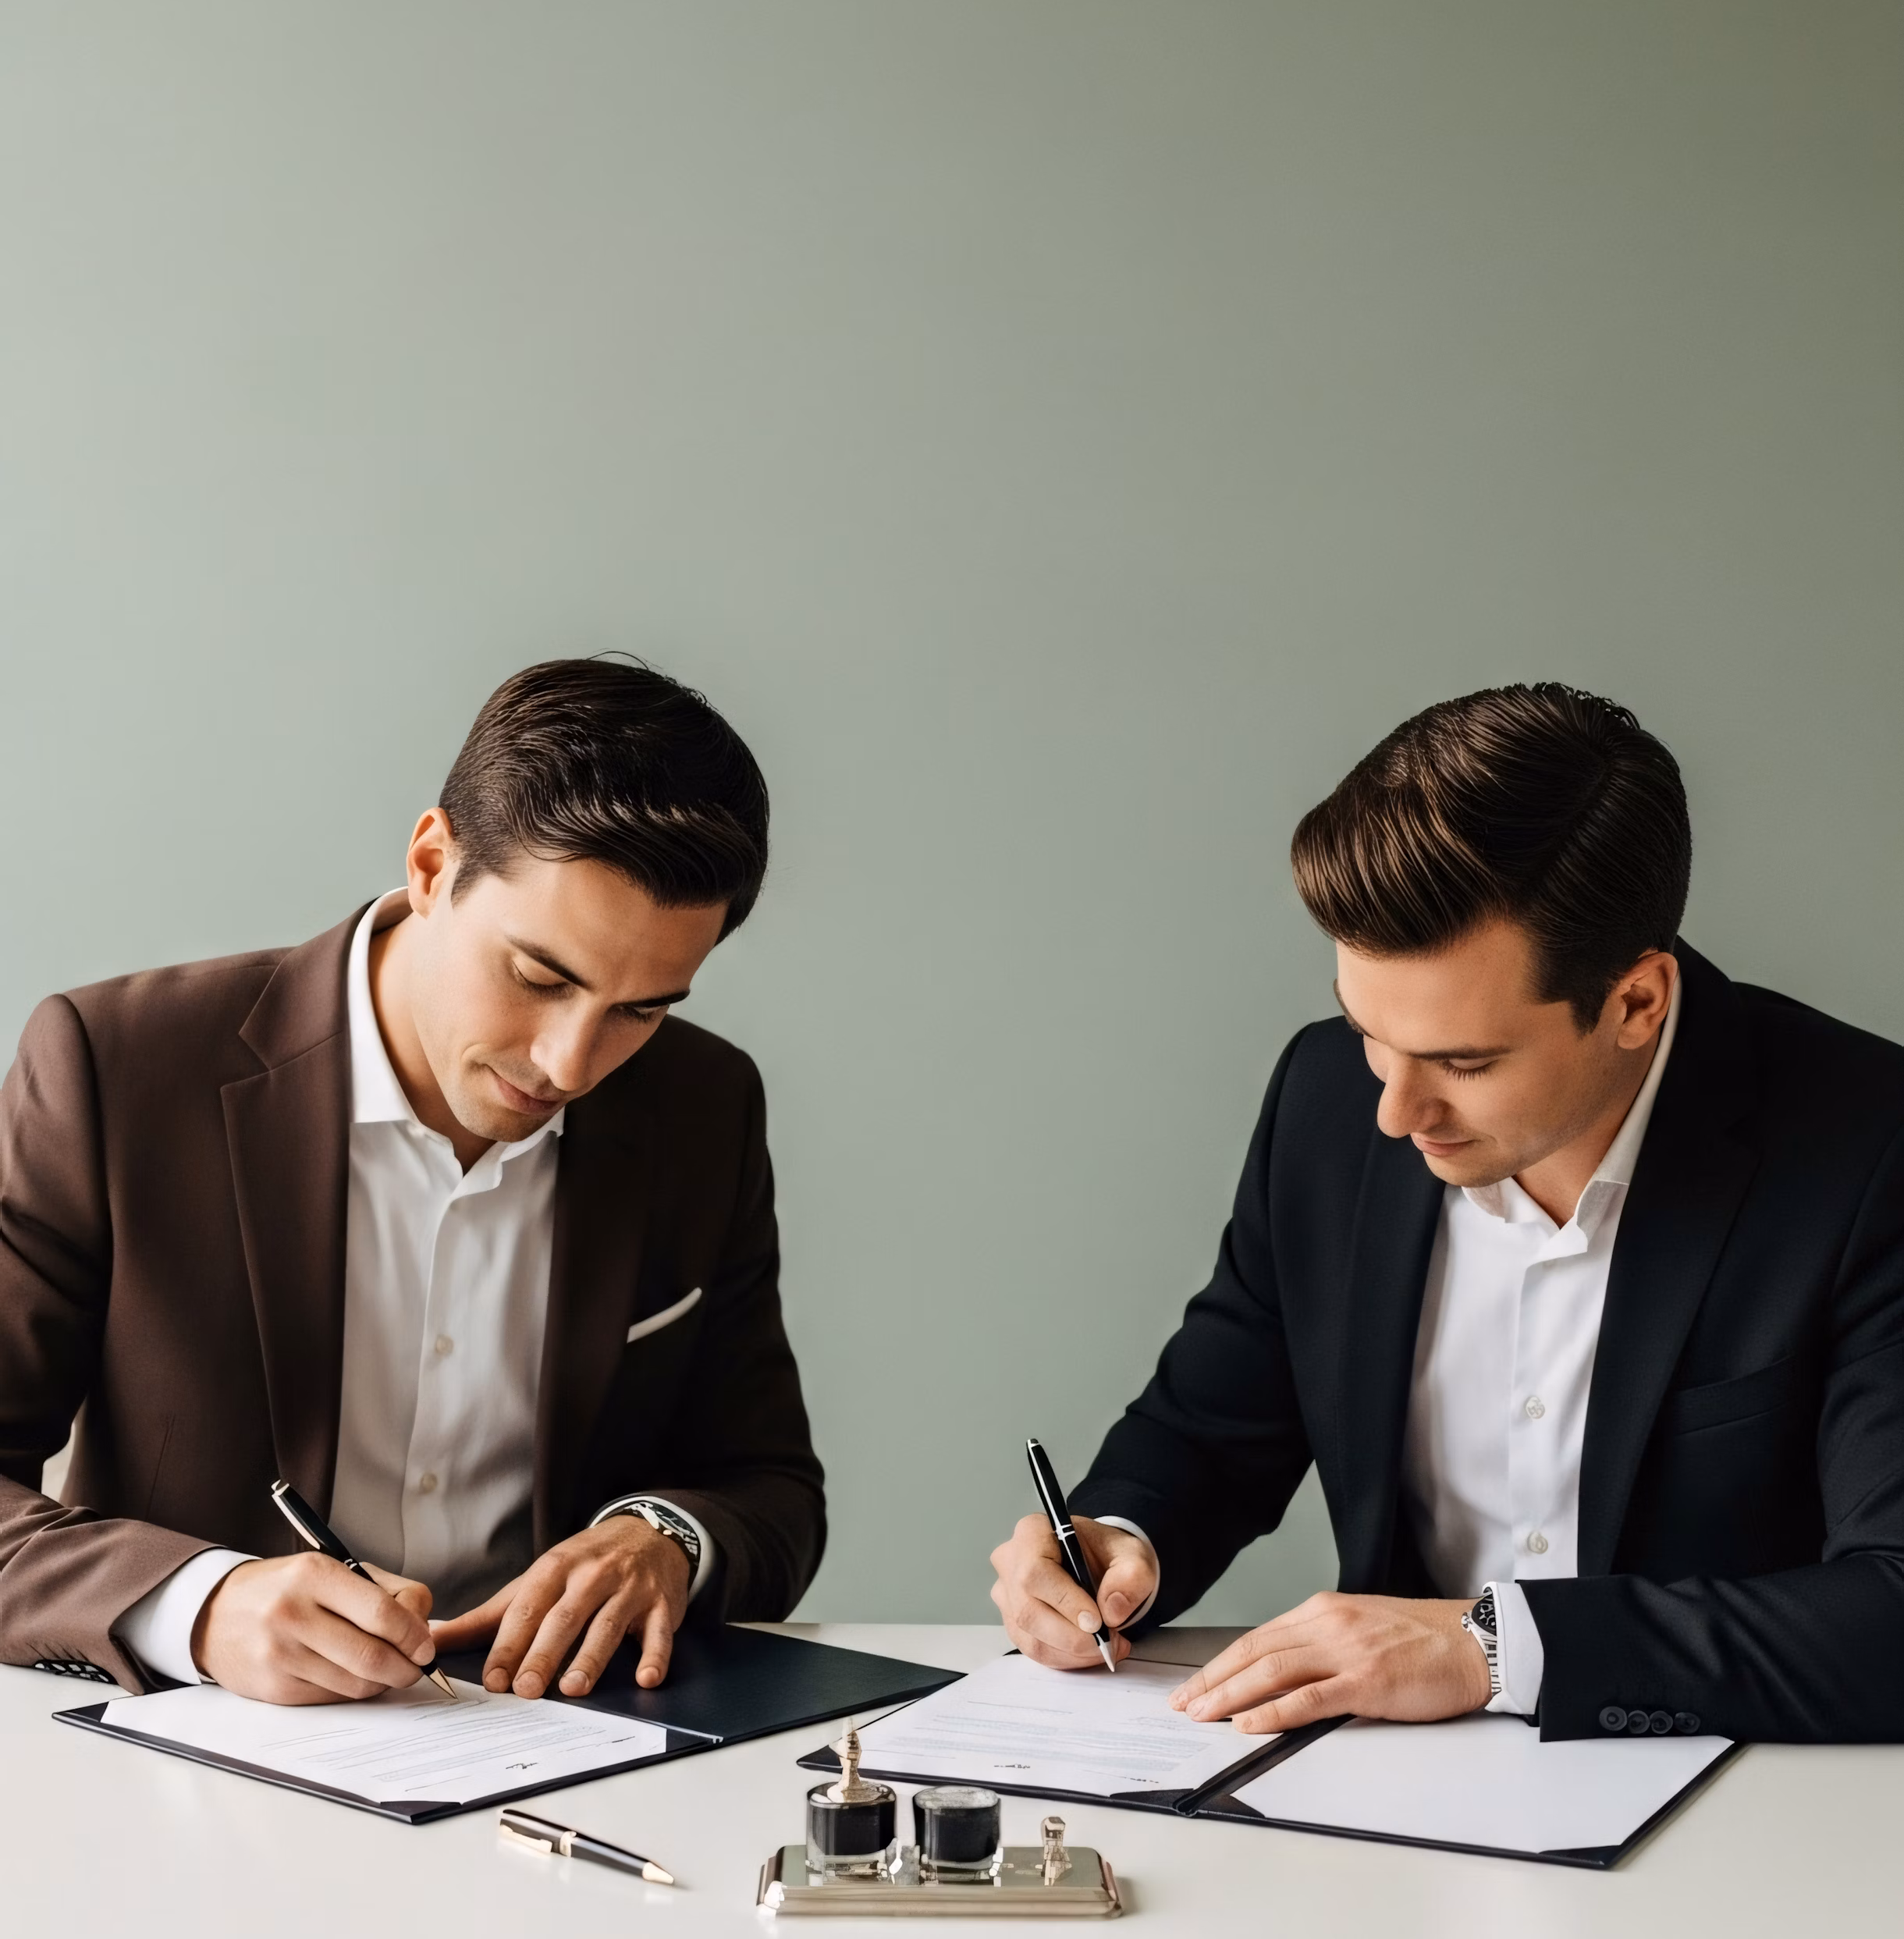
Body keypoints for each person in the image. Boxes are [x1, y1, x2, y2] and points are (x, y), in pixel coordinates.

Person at [990, 684, 1904, 1742]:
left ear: (1637, 1002)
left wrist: (1490, 1646)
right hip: (1387, 1808)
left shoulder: (1870, 1153)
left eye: (1464, 1061)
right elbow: (1214, 1421)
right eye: (1367, 1029)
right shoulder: (1325, 1099)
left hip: (1739, 1819)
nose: (1394, 1110)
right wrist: (1115, 1539)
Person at [0, 655, 823, 1703]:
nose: (571, 1064)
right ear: (432, 865)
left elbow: (771, 1485)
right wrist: (199, 1605)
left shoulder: (705, 1105)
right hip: (200, 1758)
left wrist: (660, 1538)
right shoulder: (115, 1066)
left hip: (565, 1756)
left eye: (643, 1008)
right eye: (541, 976)